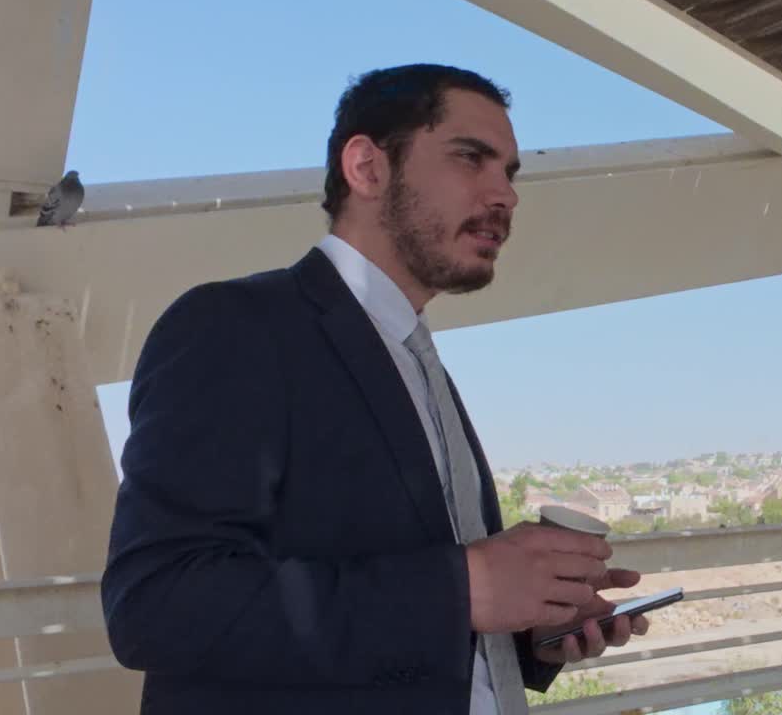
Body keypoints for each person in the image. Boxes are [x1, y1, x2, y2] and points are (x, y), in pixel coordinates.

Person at [101, 64, 648, 715]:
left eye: (510, 171)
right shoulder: (234, 327)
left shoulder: (416, 359)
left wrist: (534, 628)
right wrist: (466, 588)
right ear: (366, 168)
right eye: (471, 158)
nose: (505, 194)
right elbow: (157, 605)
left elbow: (413, 603)